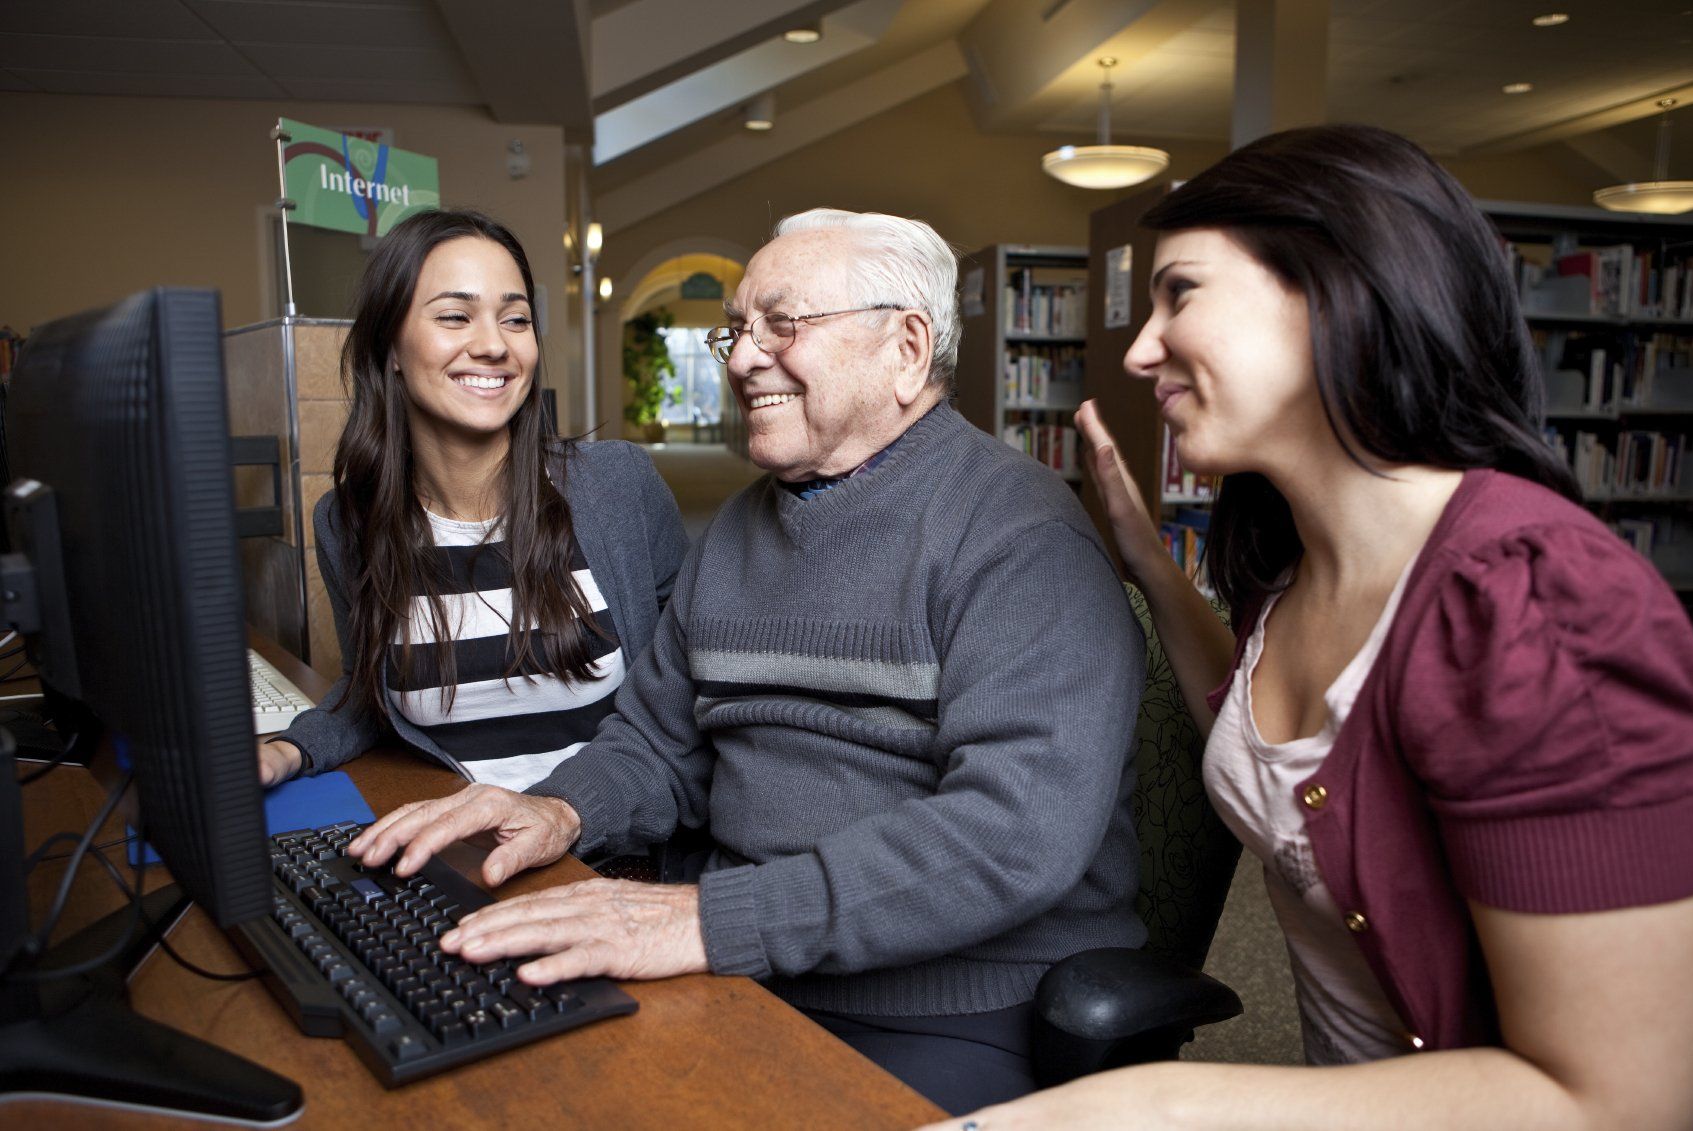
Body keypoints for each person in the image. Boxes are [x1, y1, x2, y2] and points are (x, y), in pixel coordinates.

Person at [927, 125, 1693, 1131]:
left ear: (1338, 289)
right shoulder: (1293, 558)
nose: (1139, 348)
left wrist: (1150, 1107)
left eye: (1182, 293)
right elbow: (1262, 741)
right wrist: (1153, 567)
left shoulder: (1532, 604)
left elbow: (1621, 1101)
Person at [346, 208, 1148, 1115]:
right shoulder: (736, 530)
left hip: (951, 1003)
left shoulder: (1017, 535)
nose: (738, 358)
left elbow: (1012, 834)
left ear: (907, 348)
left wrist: (710, 919)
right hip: (746, 961)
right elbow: (657, 741)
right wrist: (561, 808)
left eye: (784, 325)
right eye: (739, 329)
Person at [257, 208, 688, 794]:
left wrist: (562, 814)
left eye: (515, 319)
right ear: (390, 348)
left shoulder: (618, 488)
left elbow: (685, 689)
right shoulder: (349, 522)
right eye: (456, 316)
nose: (493, 346)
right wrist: (288, 750)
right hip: (456, 847)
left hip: (601, 847)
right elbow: (368, 693)